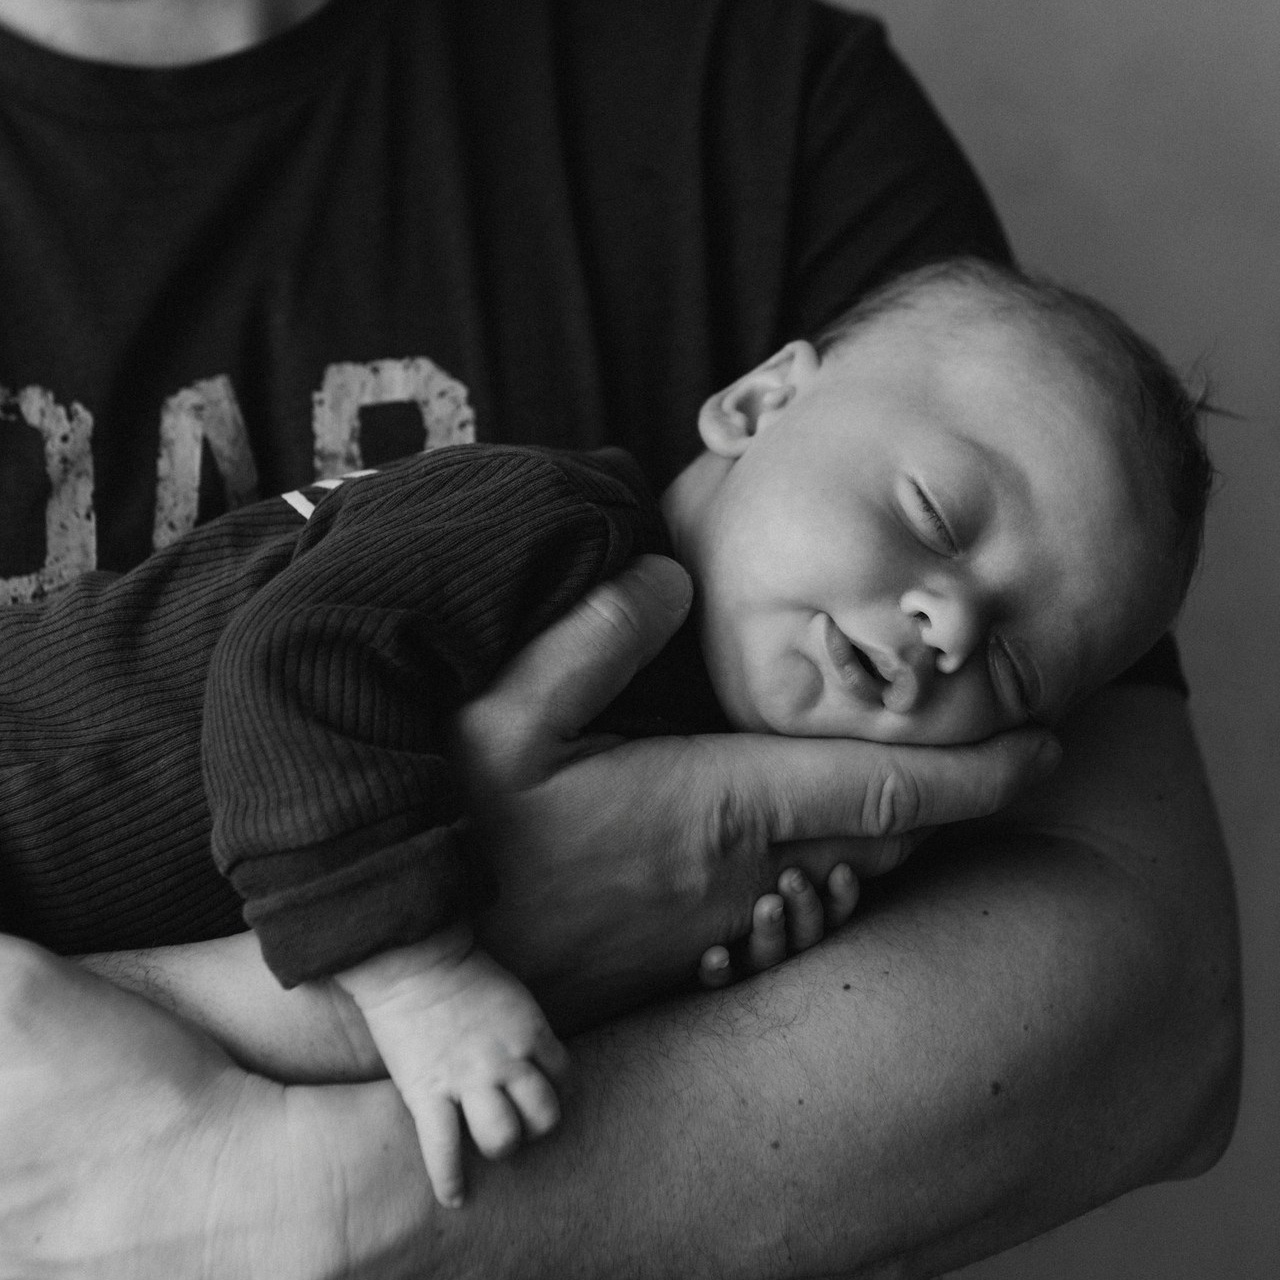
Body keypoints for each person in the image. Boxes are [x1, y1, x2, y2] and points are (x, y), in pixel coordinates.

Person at [0, 1, 1240, 1276]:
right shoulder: (557, 523)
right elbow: (289, 671)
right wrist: (438, 968)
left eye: (1014, 666)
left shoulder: (750, 88)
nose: (948, 620)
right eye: (930, 515)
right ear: (755, 400)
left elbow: (1156, 1017)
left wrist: (710, 951)